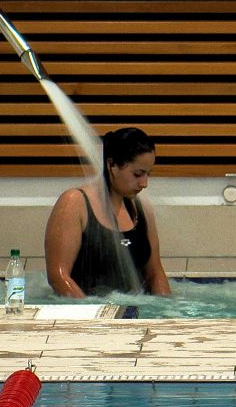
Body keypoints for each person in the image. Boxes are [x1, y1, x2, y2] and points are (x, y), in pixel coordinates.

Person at [46, 125, 172, 298]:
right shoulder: (74, 203)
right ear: (111, 165)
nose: (144, 183)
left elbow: (155, 273)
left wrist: (166, 311)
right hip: (90, 315)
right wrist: (94, 316)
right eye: (138, 174)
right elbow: (58, 277)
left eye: (148, 174)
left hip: (137, 311)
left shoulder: (142, 209)